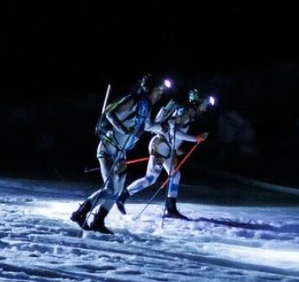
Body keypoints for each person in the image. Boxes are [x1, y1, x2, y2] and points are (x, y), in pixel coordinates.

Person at [70, 74, 170, 234]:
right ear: (149, 89)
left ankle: (98, 221)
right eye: (158, 90)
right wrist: (123, 129)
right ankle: (80, 213)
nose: (160, 95)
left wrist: (161, 127)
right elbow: (111, 115)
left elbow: (147, 125)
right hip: (108, 149)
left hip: (121, 153)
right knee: (110, 189)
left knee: (116, 191)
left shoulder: (147, 106)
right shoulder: (133, 100)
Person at [116, 89, 212, 220]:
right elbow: (174, 133)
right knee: (150, 179)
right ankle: (122, 197)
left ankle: (171, 208)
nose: (206, 106)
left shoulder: (190, 113)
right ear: (198, 102)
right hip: (159, 147)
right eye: (205, 103)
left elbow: (173, 134)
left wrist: (177, 149)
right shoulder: (184, 112)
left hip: (167, 149)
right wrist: (196, 138)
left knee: (175, 175)